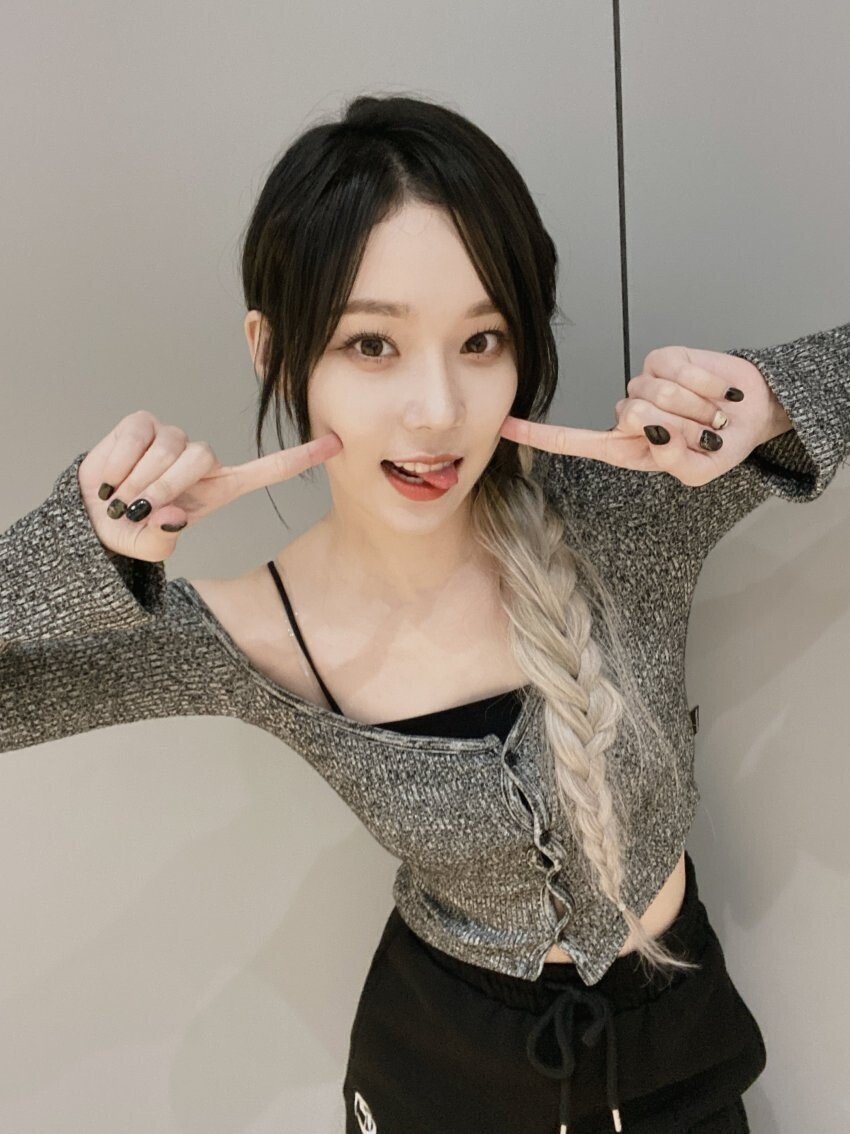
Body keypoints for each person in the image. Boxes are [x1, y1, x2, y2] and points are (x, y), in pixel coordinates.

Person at [1, 93, 848, 1134]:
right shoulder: (247, 633)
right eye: (372, 345)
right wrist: (73, 549)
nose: (438, 410)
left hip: (680, 1050)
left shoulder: (631, 515)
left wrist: (776, 398)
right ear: (274, 349)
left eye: (481, 339)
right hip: (436, 1074)